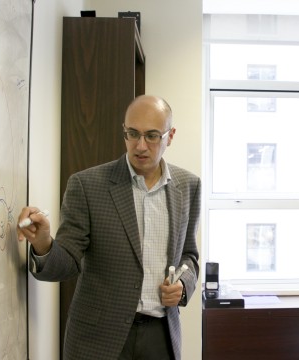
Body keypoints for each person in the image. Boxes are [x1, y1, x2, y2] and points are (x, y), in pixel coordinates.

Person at [17, 95, 201, 360]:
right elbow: (66, 262)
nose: (140, 145)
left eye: (151, 136)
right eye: (132, 134)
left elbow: (189, 256)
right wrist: (44, 243)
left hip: (161, 336)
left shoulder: (189, 186)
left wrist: (183, 285)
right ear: (123, 131)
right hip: (96, 339)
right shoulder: (87, 185)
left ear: (169, 136)